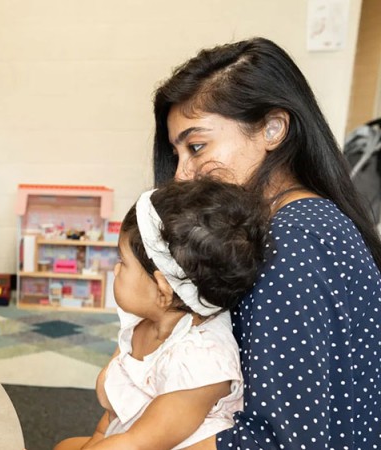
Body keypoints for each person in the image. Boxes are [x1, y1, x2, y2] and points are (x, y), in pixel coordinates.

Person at [152, 37, 381, 449]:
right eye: (178, 153)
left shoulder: (290, 241)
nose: (182, 173)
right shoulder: (308, 220)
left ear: (273, 129)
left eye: (197, 146)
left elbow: (280, 440)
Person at [55, 179, 269, 450]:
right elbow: (116, 412)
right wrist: (98, 438)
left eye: (122, 262)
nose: (116, 270)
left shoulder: (201, 359)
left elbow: (139, 443)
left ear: (163, 289)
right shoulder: (144, 326)